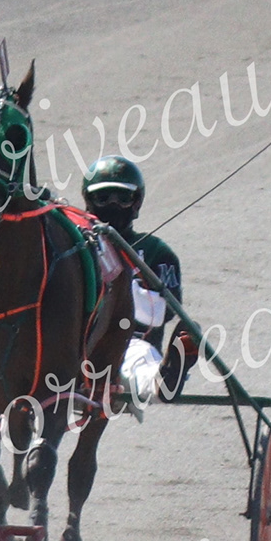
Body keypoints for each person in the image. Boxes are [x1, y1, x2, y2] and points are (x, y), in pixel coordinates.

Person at [83, 157, 184, 402]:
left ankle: (163, 381)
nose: (113, 204)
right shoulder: (74, 244)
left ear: (136, 202)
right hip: (74, 342)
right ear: (88, 201)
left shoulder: (155, 251)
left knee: (138, 362)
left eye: (123, 198)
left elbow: (160, 314)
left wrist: (121, 286)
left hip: (131, 342)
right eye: (103, 197)